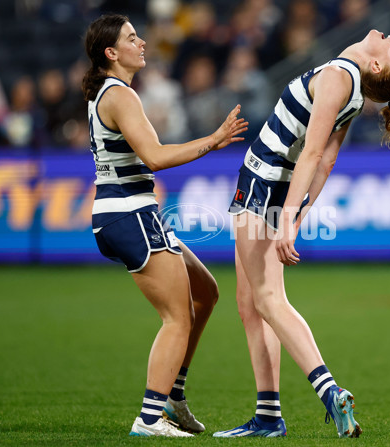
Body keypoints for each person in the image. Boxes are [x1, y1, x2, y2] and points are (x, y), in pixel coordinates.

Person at [217, 29, 390, 438]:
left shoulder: (340, 74)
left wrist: (290, 219)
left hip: (262, 180)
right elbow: (326, 161)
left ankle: (329, 391)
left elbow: (312, 152)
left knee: (268, 300)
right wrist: (298, 216)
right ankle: (268, 415)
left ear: (376, 64)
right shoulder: (354, 87)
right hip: (278, 186)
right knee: (249, 303)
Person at [81, 14, 247, 438]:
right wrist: (213, 139)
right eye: (131, 38)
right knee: (177, 318)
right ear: (111, 53)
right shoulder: (119, 95)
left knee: (206, 293)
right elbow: (154, 157)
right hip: (130, 214)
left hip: (130, 214)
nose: (142, 43)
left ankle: (173, 395)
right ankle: (151, 417)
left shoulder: (113, 93)